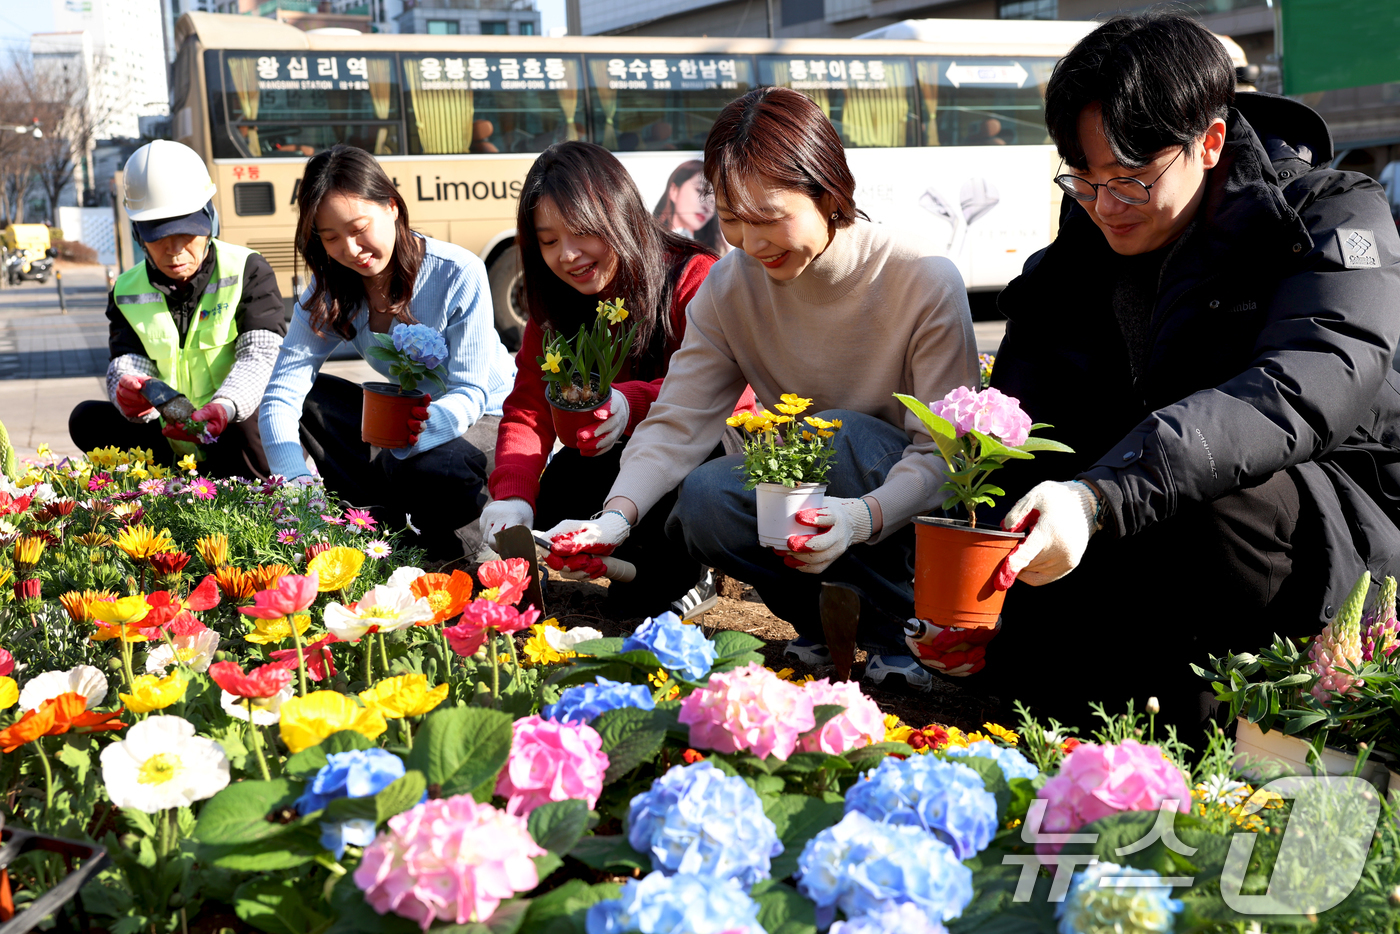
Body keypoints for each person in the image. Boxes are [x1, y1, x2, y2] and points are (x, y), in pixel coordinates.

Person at [973, 14, 1400, 737]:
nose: (1106, 207)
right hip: (1143, 532)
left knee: (1209, 492)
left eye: (1131, 181)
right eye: (1083, 178)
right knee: (1028, 682)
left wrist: (1099, 496)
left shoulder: (1324, 216)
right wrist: (972, 588)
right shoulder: (1071, 269)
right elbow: (1022, 425)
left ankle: (1247, 711)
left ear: (1209, 142)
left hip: (1326, 539)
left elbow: (1301, 384)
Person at [539, 88, 979, 693]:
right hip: (815, 500)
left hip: (905, 511)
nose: (750, 241)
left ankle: (899, 626)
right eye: (731, 218)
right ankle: (820, 626)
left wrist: (859, 518)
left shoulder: (920, 278)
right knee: (706, 498)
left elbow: (943, 455)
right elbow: (678, 421)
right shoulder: (730, 288)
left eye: (768, 216)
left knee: (839, 435)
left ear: (828, 191)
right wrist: (615, 518)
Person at [480, 140, 735, 619]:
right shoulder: (557, 305)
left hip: (696, 453)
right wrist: (511, 496)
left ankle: (694, 569)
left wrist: (632, 404)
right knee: (551, 503)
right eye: (549, 241)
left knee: (648, 592)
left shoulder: (693, 276)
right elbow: (529, 407)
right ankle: (634, 561)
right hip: (615, 462)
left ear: (617, 213)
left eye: (581, 233)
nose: (568, 255)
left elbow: (735, 390)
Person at [259, 145, 514, 560]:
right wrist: (292, 481)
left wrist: (401, 446)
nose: (351, 249)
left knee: (431, 467)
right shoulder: (331, 291)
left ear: (392, 207)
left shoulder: (457, 271)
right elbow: (280, 397)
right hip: (406, 425)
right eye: (331, 238)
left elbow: (470, 394)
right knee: (313, 400)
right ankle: (377, 525)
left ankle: (474, 553)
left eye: (359, 228)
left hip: (487, 416)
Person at [69, 140, 284, 479]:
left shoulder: (247, 269)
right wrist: (126, 389)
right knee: (86, 418)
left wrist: (225, 407)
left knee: (257, 415)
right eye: (159, 236)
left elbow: (261, 355)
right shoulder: (126, 289)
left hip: (231, 424)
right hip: (168, 435)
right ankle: (164, 484)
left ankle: (262, 493)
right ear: (140, 234)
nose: (175, 249)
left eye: (187, 233)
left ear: (208, 221)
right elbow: (126, 361)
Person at [654, 160, 727, 257]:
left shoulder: (714, 257)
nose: (707, 207)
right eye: (700, 191)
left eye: (714, 201)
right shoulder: (646, 243)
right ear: (674, 190)